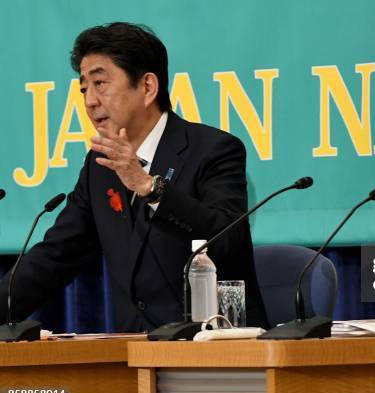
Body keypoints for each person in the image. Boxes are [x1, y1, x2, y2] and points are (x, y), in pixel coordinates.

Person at [0, 22, 268, 332]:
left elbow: (227, 237)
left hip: (215, 349)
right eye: (84, 88)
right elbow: (55, 257)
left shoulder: (214, 150)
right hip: (132, 357)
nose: (89, 101)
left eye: (100, 83)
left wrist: (149, 188)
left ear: (148, 87)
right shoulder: (100, 167)